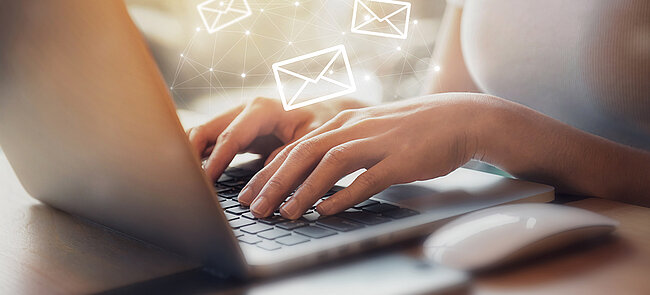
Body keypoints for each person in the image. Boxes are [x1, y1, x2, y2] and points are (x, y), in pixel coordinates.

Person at [2, 1, 648, 222]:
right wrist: (339, 121)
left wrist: (489, 122)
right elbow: (450, 103)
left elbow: (480, 118)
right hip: (515, 241)